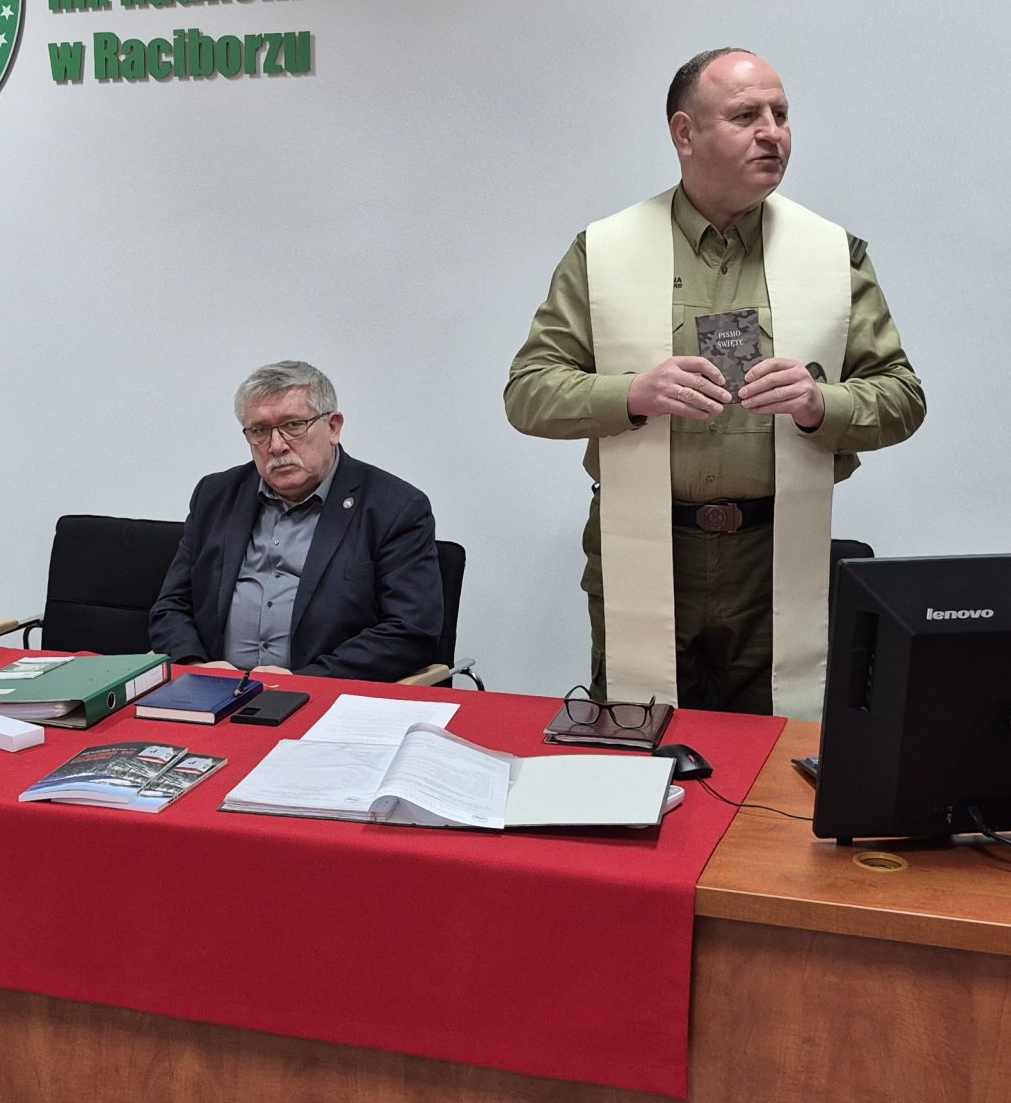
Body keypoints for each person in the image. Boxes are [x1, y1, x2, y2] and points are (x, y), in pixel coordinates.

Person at [505, 47, 924, 716]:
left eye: (781, 114)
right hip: (646, 548)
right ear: (685, 133)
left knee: (777, 753)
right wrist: (630, 394)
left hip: (775, 554)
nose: (772, 133)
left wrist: (821, 404)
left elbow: (902, 396)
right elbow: (528, 392)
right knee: (645, 748)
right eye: (746, 116)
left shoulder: (832, 254)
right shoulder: (604, 252)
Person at [149, 360, 444, 681]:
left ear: (333, 427)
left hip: (322, 690)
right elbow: (171, 606)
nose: (276, 446)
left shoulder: (393, 507)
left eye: (293, 425)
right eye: (259, 431)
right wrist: (195, 667)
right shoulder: (216, 496)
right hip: (214, 689)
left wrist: (307, 680)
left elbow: (409, 630)